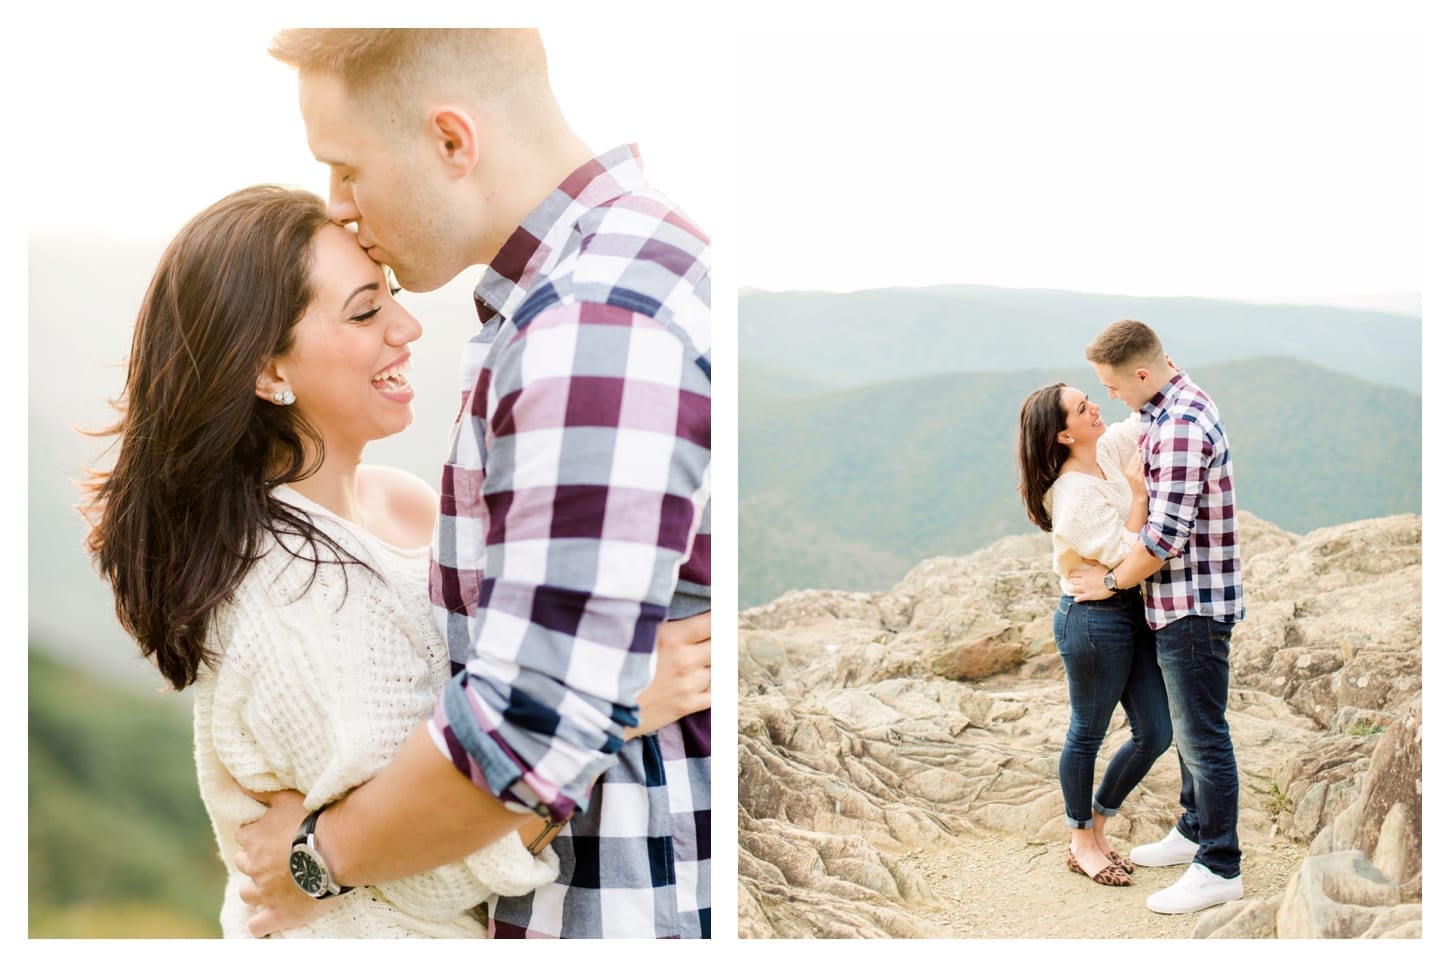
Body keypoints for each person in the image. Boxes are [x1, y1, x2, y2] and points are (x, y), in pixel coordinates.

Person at [233, 29, 712, 939]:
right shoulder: (602, 279)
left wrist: (317, 859)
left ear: (452, 141)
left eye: (346, 168)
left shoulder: (589, 323)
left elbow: (530, 729)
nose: (338, 206)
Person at [82, 185, 565, 936]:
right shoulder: (286, 599)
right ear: (267, 371)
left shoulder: (397, 503)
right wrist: (623, 705)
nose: (406, 327)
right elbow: (439, 869)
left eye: (391, 298)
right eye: (366, 311)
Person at [1069, 319, 1245, 915]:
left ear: (1143, 374)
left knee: (1202, 737)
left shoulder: (1178, 429)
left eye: (1113, 387)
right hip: (1185, 601)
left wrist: (1110, 581)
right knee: (1195, 733)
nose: (1112, 398)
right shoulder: (1171, 403)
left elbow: (1165, 538)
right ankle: (1194, 829)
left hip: (1191, 604)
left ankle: (1219, 864)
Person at [1016, 382, 1173, 888]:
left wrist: (1156, 378)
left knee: (1156, 731)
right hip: (1091, 621)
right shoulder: (1072, 494)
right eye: (1084, 408)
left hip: (1129, 608)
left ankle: (1099, 825)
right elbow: (1127, 551)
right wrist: (1142, 493)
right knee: (1087, 731)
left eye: (1092, 398)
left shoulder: (1105, 447)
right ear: (1063, 434)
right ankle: (1080, 840)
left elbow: (1137, 422)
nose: (1096, 407)